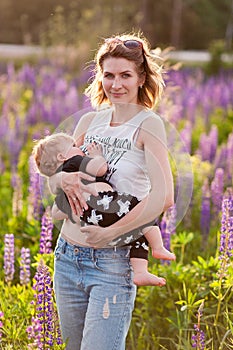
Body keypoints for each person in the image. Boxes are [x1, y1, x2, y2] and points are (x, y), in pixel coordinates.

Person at [48, 33, 174, 350]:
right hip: (67, 256)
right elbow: (55, 178)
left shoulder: (149, 124)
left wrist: (110, 234)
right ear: (100, 76)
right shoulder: (90, 121)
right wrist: (61, 182)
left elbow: (164, 196)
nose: (115, 84)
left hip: (113, 263)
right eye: (108, 75)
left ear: (141, 77)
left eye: (125, 75)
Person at [33, 132, 175, 285]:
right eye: (74, 146)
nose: (79, 147)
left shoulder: (65, 185)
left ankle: (140, 272)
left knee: (136, 234)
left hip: (92, 219)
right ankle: (158, 247)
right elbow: (100, 169)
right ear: (62, 157)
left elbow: (56, 213)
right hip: (104, 205)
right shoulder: (73, 162)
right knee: (140, 212)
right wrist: (97, 156)